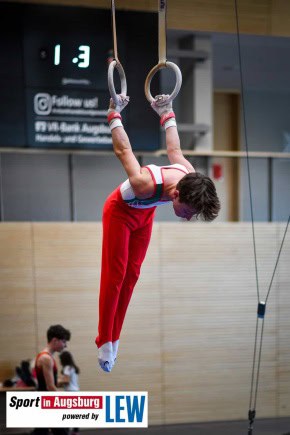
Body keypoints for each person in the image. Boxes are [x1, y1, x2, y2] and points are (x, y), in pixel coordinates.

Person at [95, 94, 221, 372]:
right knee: (115, 276)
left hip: (143, 215)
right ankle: (105, 339)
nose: (188, 220)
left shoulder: (188, 173)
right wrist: (114, 113)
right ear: (175, 194)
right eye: (188, 212)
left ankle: (116, 338)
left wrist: (167, 113)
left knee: (132, 276)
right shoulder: (142, 183)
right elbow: (123, 151)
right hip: (119, 211)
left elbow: (174, 150)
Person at [32, 324, 71, 435]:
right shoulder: (46, 358)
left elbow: (49, 382)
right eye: (63, 341)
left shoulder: (46, 357)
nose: (65, 345)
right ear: (54, 340)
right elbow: (50, 387)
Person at [58, 351, 80, 435]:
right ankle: (75, 431)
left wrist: (57, 383)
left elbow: (66, 381)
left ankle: (66, 431)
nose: (59, 361)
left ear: (64, 359)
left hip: (70, 392)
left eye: (60, 359)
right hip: (75, 391)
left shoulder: (67, 368)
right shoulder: (73, 367)